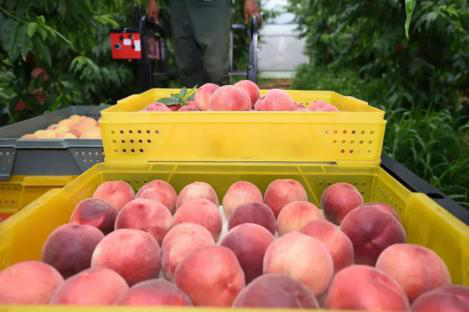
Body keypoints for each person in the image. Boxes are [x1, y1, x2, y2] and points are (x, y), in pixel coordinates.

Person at [147, 0, 261, 87]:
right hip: (180, 5)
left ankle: (220, 111)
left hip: (213, 4)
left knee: (216, 69)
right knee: (187, 67)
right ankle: (193, 112)